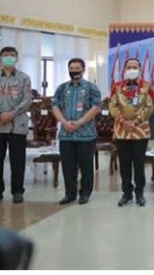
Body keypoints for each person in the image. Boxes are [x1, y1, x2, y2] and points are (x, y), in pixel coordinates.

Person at [0, 47, 32, 204]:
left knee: (18, 160)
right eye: (5, 55)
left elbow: (27, 100)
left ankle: (17, 191)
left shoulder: (24, 78)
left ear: (17, 58)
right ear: (0, 58)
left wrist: (11, 114)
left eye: (12, 55)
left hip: (17, 125)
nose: (9, 57)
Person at [51, 58, 102, 205]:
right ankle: (70, 194)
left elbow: (96, 108)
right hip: (66, 134)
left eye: (77, 68)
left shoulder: (91, 88)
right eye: (71, 68)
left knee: (86, 166)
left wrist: (79, 122)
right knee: (68, 166)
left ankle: (85, 193)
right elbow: (55, 107)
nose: (74, 71)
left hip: (86, 134)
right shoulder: (62, 88)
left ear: (83, 70)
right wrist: (64, 122)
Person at [109, 58, 154, 207]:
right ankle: (126, 194)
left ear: (140, 70)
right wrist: (123, 121)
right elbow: (113, 106)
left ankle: (140, 193)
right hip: (122, 131)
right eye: (129, 67)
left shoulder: (147, 87)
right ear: (124, 69)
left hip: (140, 131)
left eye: (135, 67)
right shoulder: (117, 87)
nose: (132, 70)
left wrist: (135, 122)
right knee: (124, 165)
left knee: (139, 165)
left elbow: (149, 107)